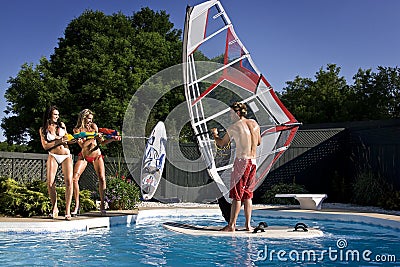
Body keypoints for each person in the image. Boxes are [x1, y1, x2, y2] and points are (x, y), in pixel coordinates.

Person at [211, 102, 261, 232]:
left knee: (237, 196)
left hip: (241, 162)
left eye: (231, 113)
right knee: (248, 195)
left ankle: (231, 225)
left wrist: (215, 135)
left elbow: (222, 143)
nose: (230, 116)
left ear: (238, 113)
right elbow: (259, 142)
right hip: (253, 162)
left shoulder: (234, 127)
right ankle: (248, 225)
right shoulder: (255, 124)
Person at [71, 109, 120, 216]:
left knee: (102, 178)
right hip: (84, 156)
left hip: (96, 155)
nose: (90, 121)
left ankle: (102, 204)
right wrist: (81, 141)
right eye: (89, 119)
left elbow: (102, 142)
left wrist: (113, 139)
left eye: (91, 119)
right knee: (74, 179)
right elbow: (82, 145)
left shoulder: (94, 127)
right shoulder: (77, 130)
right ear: (83, 118)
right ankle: (77, 205)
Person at [39, 105, 73, 220]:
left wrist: (75, 140)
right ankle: (55, 207)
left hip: (66, 155)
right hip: (53, 155)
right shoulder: (43, 129)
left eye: (58, 115)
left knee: (69, 182)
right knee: (50, 183)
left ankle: (67, 210)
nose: (57, 117)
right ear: (49, 115)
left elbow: (68, 139)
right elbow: (45, 146)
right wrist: (59, 141)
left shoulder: (62, 125)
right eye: (55, 114)